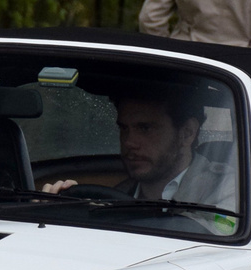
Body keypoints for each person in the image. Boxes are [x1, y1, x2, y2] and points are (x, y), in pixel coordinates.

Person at [43, 85, 237, 214]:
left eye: (145, 128)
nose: (129, 142)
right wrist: (71, 210)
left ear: (187, 133)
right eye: (124, 128)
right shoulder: (117, 195)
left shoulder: (228, 191)